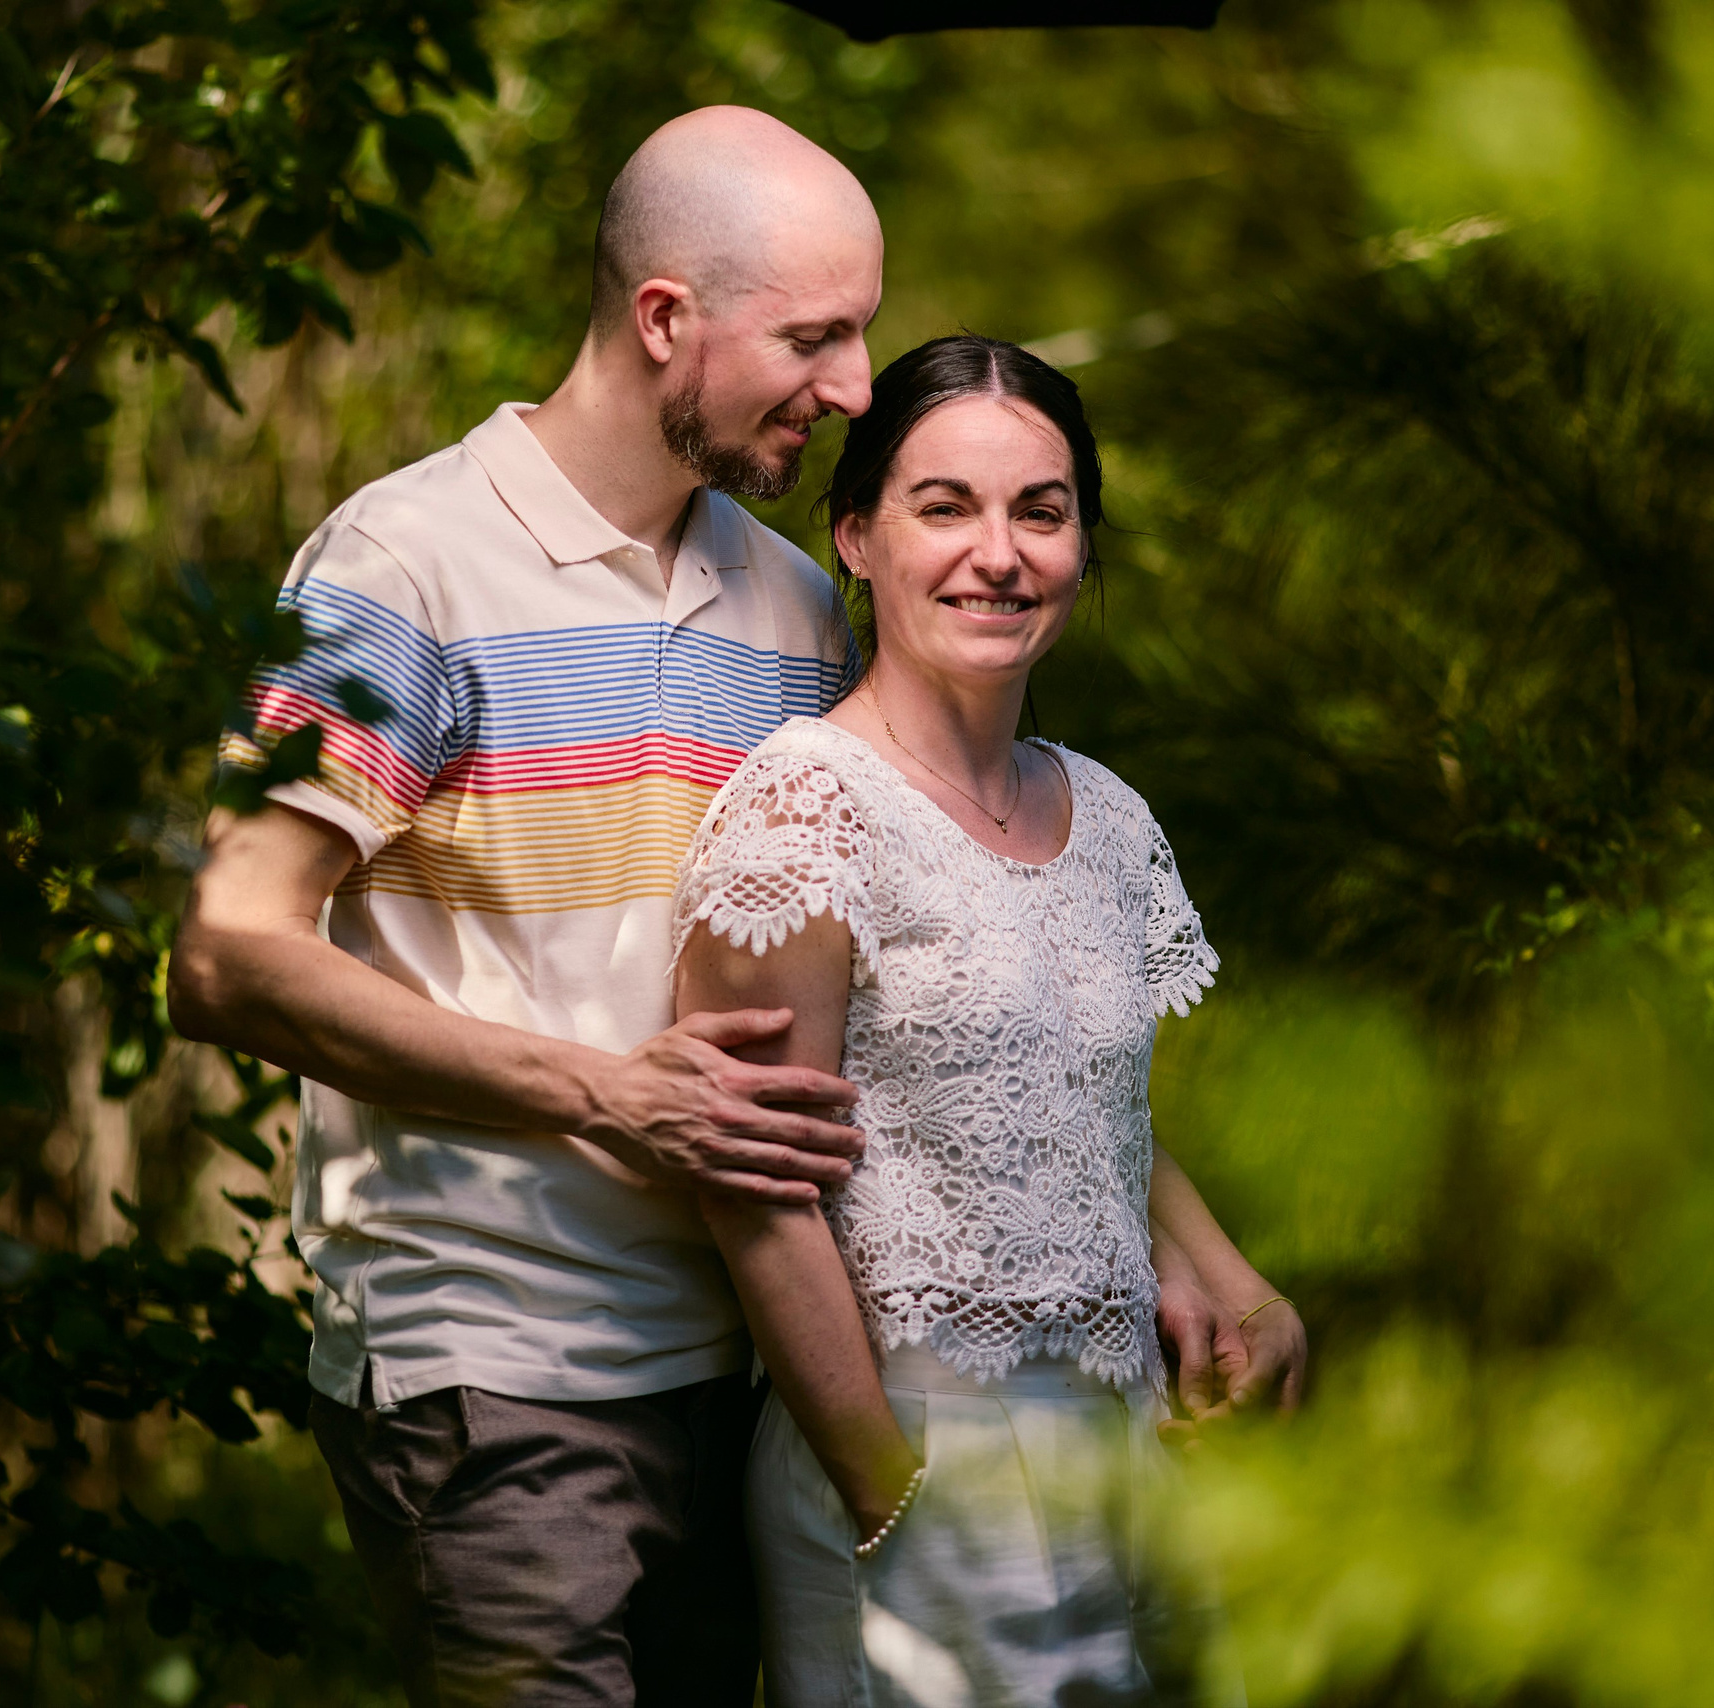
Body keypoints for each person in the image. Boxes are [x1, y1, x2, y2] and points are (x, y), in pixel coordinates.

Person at [167, 106, 886, 1707]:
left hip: (747, 1383)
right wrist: (607, 1096)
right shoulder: (402, 564)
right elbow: (227, 953)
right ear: (664, 320)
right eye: (816, 337)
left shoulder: (795, 601)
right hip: (494, 1383)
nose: (852, 388)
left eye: (864, 338)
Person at [672, 334, 1307, 1705]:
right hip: (911, 1454)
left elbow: (1075, 1115)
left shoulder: (1110, 817)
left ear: (1084, 542)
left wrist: (1243, 1290)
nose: (999, 553)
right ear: (855, 534)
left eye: (1042, 508)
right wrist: (881, 1482)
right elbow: (752, 1188)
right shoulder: (806, 811)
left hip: (1120, 1448)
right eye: (944, 505)